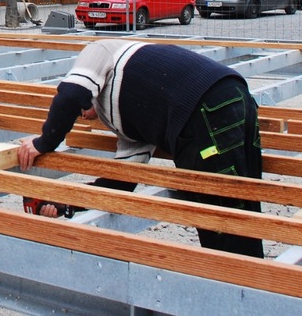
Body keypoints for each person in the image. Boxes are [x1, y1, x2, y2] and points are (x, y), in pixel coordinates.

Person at [17, 39, 264, 257]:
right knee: (243, 209)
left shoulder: (99, 49)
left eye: (83, 110)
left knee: (217, 220)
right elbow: (121, 183)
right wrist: (66, 203)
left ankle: (236, 295)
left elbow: (70, 95)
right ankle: (255, 290)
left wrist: (43, 143)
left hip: (203, 109)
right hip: (236, 95)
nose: (82, 115)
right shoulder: (131, 122)